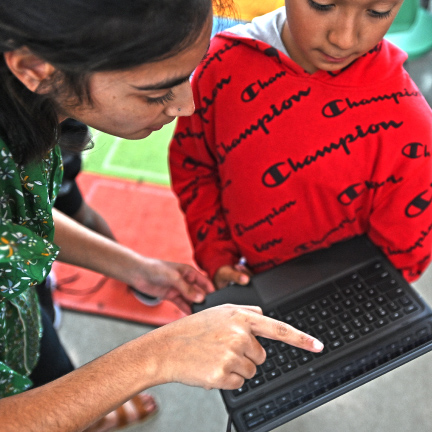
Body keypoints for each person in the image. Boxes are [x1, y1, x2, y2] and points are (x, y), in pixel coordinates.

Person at [0, 0, 326, 431]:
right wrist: (157, 355)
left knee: (55, 379)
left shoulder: (33, 112)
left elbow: (16, 228)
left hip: (19, 318)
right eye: (156, 92)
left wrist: (136, 268)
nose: (187, 106)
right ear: (37, 68)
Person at [169, 0, 432, 290]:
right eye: (322, 4)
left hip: (345, 301)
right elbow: (194, 167)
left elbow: (403, 256)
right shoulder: (221, 64)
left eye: (377, 11)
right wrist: (218, 257)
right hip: (250, 287)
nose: (343, 38)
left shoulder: (411, 127)